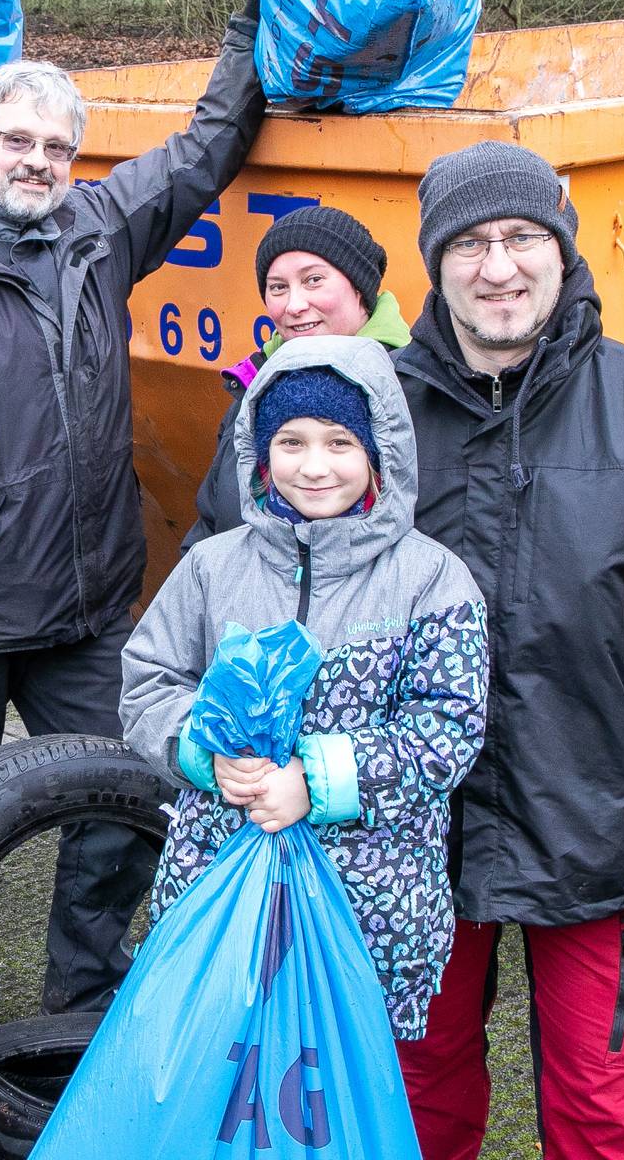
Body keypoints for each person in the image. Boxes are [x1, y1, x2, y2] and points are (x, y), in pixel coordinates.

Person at [0, 0, 266, 1024]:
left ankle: (83, 976)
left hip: (85, 611)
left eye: (56, 145)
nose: (37, 160)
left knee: (128, 794)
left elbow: (203, 153)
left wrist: (249, 34)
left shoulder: (95, 233)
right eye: (17, 138)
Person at [388, 140, 624, 1160]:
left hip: (604, 831)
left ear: (564, 246)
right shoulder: (374, 412)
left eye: (520, 237)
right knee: (411, 1096)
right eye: (469, 242)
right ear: (434, 260)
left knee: (605, 1107)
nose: (498, 266)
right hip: (413, 828)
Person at [120, 337, 488, 1042]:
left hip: (370, 900)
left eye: (340, 442)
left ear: (380, 450)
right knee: (222, 1067)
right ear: (261, 452)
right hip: (220, 880)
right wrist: (206, 753)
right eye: (290, 441)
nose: (314, 466)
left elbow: (448, 728)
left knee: (336, 1086)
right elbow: (149, 678)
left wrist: (314, 785)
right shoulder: (212, 567)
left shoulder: (432, 581)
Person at [181, 203, 409, 551]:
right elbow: (210, 528)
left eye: (313, 280)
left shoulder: (409, 390)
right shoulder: (253, 390)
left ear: (360, 288)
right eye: (277, 287)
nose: (294, 305)